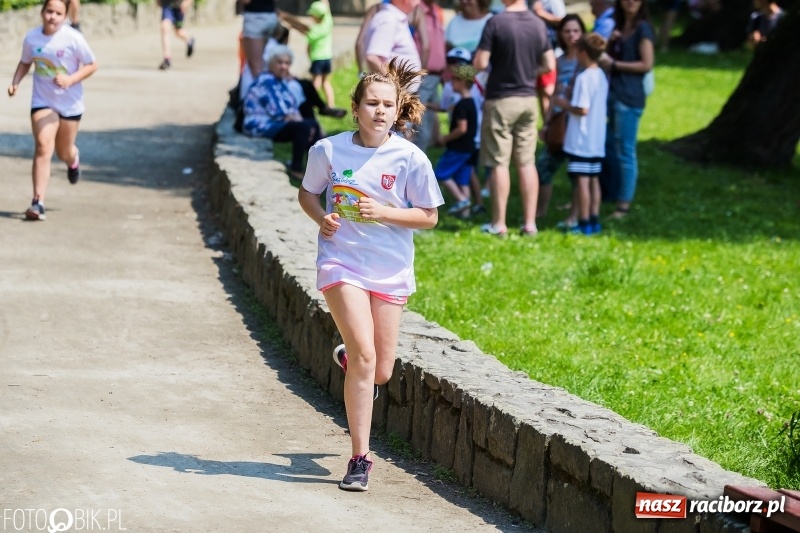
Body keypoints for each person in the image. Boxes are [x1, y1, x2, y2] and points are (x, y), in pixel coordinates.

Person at [298, 58, 443, 492]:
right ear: (356, 108)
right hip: (342, 262)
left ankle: (350, 359)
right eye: (371, 103)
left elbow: (430, 216)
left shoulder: (410, 158)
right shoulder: (328, 151)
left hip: (391, 269)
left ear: (398, 111)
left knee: (380, 371)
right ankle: (360, 458)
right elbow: (308, 194)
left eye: (387, 105)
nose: (379, 111)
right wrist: (321, 218)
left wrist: (384, 212)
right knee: (365, 358)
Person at [7, 0, 98, 222]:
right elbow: (25, 62)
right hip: (42, 100)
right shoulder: (32, 38)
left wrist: (70, 79)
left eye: (58, 13)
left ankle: (73, 159)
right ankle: (38, 202)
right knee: (43, 145)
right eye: (49, 11)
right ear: (42, 12)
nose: (53, 17)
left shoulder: (73, 38)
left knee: (63, 151)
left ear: (66, 15)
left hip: (70, 104)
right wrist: (16, 82)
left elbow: (92, 64)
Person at [474, 0, 555, 237]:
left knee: (499, 162)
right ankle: (530, 224)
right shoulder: (538, 23)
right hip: (528, 100)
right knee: (526, 161)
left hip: (501, 99)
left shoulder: (496, 22)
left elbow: (480, 63)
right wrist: (529, 72)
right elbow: (549, 64)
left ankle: (499, 224)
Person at [598, 0, 654, 219]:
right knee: (610, 145)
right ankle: (609, 194)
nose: (631, 2)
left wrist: (615, 65)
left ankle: (623, 205)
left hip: (629, 97)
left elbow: (646, 64)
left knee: (625, 151)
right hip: (614, 93)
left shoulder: (643, 29)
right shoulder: (619, 27)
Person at [554, 33, 608, 235]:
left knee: (582, 181)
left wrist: (563, 103)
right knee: (594, 180)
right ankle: (594, 218)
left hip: (581, 140)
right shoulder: (601, 74)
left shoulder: (584, 78)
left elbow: (582, 108)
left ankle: (584, 221)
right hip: (596, 139)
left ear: (583, 53)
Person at [242, 45, 320, 179]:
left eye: (287, 63)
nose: (284, 66)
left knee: (312, 124)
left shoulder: (279, 81)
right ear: (270, 63)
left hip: (274, 122)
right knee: (303, 127)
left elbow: (291, 106)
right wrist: (298, 119)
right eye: (279, 62)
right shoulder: (266, 81)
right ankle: (296, 169)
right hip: (259, 124)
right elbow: (278, 111)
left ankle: (316, 168)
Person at [536, 14, 586, 222]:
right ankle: (540, 211)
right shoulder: (559, 60)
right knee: (543, 168)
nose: (571, 35)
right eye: (567, 31)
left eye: (575, 30)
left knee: (577, 171)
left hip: (579, 123)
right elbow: (554, 94)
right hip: (559, 122)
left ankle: (574, 215)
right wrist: (547, 122)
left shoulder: (588, 60)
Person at [434, 64, 479, 217]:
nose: (451, 83)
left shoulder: (461, 105)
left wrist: (445, 138)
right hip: (470, 148)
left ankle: (461, 200)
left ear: (462, 82)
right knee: (462, 179)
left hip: (458, 148)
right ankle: (465, 214)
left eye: (454, 80)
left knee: (441, 174)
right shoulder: (471, 102)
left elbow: (462, 128)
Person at [279, 2, 336, 106]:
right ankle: (331, 104)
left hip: (318, 59)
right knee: (326, 82)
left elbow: (302, 29)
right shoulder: (328, 21)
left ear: (314, 16)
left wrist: (288, 20)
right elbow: (326, 5)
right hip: (328, 58)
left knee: (316, 83)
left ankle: (311, 102)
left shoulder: (315, 31)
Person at [413, 0, 447, 151]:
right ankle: (413, 169)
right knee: (420, 127)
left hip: (436, 76)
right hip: (422, 76)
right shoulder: (415, 10)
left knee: (428, 123)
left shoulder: (435, 10)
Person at [362, 0, 422, 75]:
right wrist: (394, 84)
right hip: (390, 85)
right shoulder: (389, 19)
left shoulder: (393, 18)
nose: (419, 2)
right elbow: (374, 58)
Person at [532, 0, 566, 118]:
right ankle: (547, 128)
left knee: (549, 91)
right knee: (542, 93)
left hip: (553, 54)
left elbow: (564, 22)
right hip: (536, 56)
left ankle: (555, 126)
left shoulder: (553, 2)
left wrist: (541, 13)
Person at [239, 0, 279, 77]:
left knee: (256, 66)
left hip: (255, 18)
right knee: (267, 62)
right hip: (271, 16)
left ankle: (261, 87)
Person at [156, 0, 195, 70]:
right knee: (165, 27)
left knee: (178, 31)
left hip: (179, 7)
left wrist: (186, 3)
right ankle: (167, 59)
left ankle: (189, 40)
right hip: (167, 5)